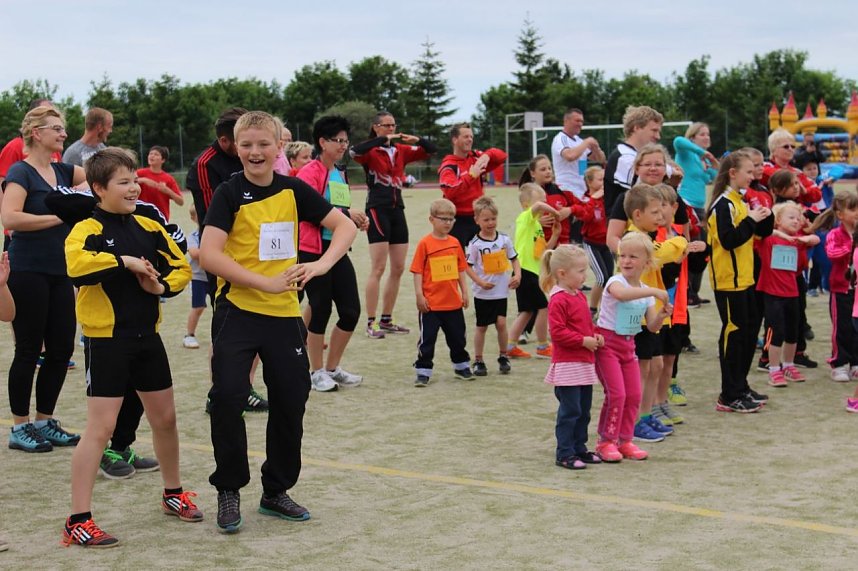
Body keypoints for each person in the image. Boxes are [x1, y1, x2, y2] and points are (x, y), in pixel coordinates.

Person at [200, 110, 357, 533]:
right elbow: (210, 254)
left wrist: (321, 264)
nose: (255, 152)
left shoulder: (293, 190)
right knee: (228, 398)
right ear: (236, 147)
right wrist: (262, 283)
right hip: (237, 311)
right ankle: (229, 489)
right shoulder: (229, 193)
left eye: (263, 144)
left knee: (291, 401)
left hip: (284, 315)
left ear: (278, 147)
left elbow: (343, 227)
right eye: (246, 144)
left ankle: (276, 490)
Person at [62, 147, 200, 548]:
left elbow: (181, 268)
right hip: (106, 342)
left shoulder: (150, 225)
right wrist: (125, 262)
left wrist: (160, 286)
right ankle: (78, 519)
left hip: (147, 339)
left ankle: (173, 494)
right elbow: (77, 266)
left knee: (166, 419)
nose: (134, 187)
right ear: (99, 188)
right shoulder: (84, 228)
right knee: (101, 430)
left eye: (135, 181)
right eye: (124, 182)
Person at [1, 106, 86, 452]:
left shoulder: (65, 170)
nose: (63, 134)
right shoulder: (21, 171)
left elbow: (100, 178)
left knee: (62, 348)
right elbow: (10, 217)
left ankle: (44, 420)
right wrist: (58, 217)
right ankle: (19, 427)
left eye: (64, 128)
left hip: (61, 271)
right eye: (56, 128)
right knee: (27, 350)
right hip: (28, 271)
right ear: (36, 133)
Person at [186, 107, 268, 413]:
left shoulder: (253, 157)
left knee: (260, 324)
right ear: (225, 140)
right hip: (226, 256)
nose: (252, 148)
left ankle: (244, 386)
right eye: (243, 141)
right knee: (227, 328)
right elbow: (212, 218)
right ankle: (219, 391)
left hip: (260, 254)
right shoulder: (205, 165)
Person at [350, 112, 437, 339]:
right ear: (376, 127)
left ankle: (387, 319)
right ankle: (371, 322)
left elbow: (431, 149)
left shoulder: (401, 151)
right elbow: (354, 152)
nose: (390, 128)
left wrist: (415, 140)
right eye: (385, 125)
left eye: (393, 125)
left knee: (398, 268)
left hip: (397, 209)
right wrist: (383, 140)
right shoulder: (370, 150)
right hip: (377, 209)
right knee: (378, 268)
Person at [297, 116, 368, 392]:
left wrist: (355, 221)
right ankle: (315, 372)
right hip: (312, 250)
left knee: (351, 311)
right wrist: (346, 214)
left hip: (337, 249)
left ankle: (332, 368)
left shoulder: (339, 172)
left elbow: (338, 209)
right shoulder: (309, 172)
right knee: (320, 309)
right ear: (322, 142)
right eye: (337, 140)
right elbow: (308, 210)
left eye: (345, 140)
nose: (343, 145)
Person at [594, 232, 672, 462]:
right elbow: (622, 295)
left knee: (634, 395)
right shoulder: (615, 282)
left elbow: (652, 327)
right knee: (616, 394)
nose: (626, 261)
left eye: (633, 257)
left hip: (629, 347)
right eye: (622, 256)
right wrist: (654, 292)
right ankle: (606, 441)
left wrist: (661, 314)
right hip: (607, 345)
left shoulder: (645, 293)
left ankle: (625, 440)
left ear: (647, 263)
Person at [707, 151, 773, 413]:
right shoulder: (724, 204)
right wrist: (750, 219)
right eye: (748, 170)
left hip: (745, 279)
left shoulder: (741, 200)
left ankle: (741, 387)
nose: (753, 174)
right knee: (733, 335)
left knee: (747, 335)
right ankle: (728, 394)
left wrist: (766, 215)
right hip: (728, 282)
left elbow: (761, 233)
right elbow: (729, 239)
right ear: (732, 173)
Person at [540, 244, 604, 470]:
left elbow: (583, 325)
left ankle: (579, 447)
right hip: (568, 365)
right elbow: (557, 333)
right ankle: (564, 452)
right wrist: (582, 341)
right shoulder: (558, 299)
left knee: (584, 410)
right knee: (570, 411)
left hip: (584, 363)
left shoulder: (577, 296)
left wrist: (594, 335)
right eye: (580, 271)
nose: (584, 276)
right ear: (562, 273)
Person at [410, 198, 473, 386]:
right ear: (432, 220)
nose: (448, 223)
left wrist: (465, 293)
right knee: (427, 339)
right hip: (431, 304)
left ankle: (461, 365)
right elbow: (417, 271)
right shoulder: (425, 244)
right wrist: (419, 295)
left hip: (453, 303)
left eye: (451, 219)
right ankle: (423, 370)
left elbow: (461, 270)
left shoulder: (455, 243)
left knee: (457, 337)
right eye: (443, 218)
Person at [757, 201, 818, 387]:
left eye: (798, 218)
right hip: (772, 293)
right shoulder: (769, 239)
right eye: (790, 217)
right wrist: (781, 234)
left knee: (793, 331)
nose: (796, 221)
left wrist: (804, 239)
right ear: (777, 221)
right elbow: (759, 234)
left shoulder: (798, 241)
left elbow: (816, 239)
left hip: (792, 292)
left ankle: (789, 364)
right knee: (776, 332)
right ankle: (774, 368)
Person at [465, 196, 521, 376]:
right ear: (477, 220)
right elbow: (467, 266)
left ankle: (503, 356)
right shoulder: (475, 244)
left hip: (501, 292)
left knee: (502, 323)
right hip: (483, 293)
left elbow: (514, 259)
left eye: (493, 219)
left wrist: (517, 275)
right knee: (481, 326)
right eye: (486, 219)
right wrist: (479, 281)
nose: (490, 223)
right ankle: (479, 360)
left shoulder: (504, 239)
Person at [506, 183, 561, 359]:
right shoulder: (525, 218)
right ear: (526, 205)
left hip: (531, 272)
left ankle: (510, 345)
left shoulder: (535, 225)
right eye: (542, 201)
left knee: (527, 311)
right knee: (543, 307)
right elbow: (537, 207)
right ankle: (542, 346)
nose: (545, 204)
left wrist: (555, 235)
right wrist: (555, 212)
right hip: (524, 271)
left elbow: (544, 251)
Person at [809, 189, 858, 383]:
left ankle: (855, 363)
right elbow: (832, 254)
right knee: (842, 328)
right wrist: (851, 248)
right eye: (852, 209)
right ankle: (839, 363)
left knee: (856, 328)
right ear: (840, 214)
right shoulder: (834, 234)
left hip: (857, 291)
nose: (856, 212)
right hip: (840, 290)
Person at [438, 123, 507, 249]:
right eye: (465, 136)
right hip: (457, 220)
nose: (470, 139)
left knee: (484, 261)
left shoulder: (475, 157)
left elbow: (502, 156)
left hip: (478, 218)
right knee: (458, 264)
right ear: (455, 140)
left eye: (471, 137)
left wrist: (488, 155)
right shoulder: (449, 166)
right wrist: (471, 175)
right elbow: (450, 191)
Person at [673, 122, 719, 306]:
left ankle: (694, 292)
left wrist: (714, 165)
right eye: (702, 134)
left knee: (702, 250)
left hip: (701, 208)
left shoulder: (703, 161)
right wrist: (703, 153)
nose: (707, 137)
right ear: (692, 137)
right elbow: (678, 141)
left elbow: (711, 178)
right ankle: (686, 293)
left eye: (708, 134)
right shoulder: (686, 153)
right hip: (687, 205)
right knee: (691, 250)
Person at [603, 105, 665, 219]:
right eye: (654, 130)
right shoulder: (624, 156)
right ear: (636, 128)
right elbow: (640, 191)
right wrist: (668, 171)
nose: (658, 136)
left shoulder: (639, 155)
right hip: (624, 228)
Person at [572, 166, 609, 314]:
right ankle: (592, 309)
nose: (603, 183)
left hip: (605, 244)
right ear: (589, 182)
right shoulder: (585, 200)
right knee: (601, 278)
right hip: (591, 243)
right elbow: (586, 217)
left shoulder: (607, 198)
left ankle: (605, 310)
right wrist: (594, 199)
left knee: (609, 280)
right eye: (600, 180)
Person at [551, 107, 606, 200]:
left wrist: (596, 148)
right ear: (566, 121)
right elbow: (569, 156)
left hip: (581, 189)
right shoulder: (560, 139)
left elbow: (601, 159)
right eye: (577, 121)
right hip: (566, 189)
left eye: (582, 121)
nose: (580, 124)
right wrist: (587, 142)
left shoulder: (579, 141)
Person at [761, 129, 822, 207]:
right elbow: (776, 175)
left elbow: (817, 194)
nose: (790, 149)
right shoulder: (765, 166)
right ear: (774, 150)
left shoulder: (797, 171)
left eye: (793, 146)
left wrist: (805, 191)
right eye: (786, 146)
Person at [137, 145, 183, 220]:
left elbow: (180, 202)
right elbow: (127, 183)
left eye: (156, 154)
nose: (152, 156)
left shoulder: (168, 179)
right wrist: (143, 180)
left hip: (160, 218)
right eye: (150, 154)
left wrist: (167, 191)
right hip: (141, 217)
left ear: (163, 160)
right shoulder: (140, 173)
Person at [184, 206, 206, 349]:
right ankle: (189, 335)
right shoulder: (193, 237)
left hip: (216, 276)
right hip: (199, 277)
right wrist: (214, 250)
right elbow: (194, 254)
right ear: (193, 218)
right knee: (198, 307)